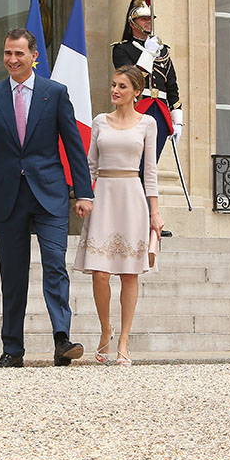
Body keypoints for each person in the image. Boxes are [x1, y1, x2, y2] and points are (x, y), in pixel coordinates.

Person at [0, 28, 93, 368]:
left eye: (18, 53)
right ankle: (12, 350)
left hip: (49, 194)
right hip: (8, 195)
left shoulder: (55, 93)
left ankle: (61, 340)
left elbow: (73, 146)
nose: (11, 60)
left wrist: (83, 191)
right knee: (12, 274)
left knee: (55, 266)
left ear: (33, 55)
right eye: (7, 53)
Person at [73, 65, 163, 366]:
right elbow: (90, 166)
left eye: (122, 86)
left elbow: (150, 172)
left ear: (136, 91)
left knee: (129, 272)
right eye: (113, 84)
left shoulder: (147, 123)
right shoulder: (100, 121)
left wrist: (155, 213)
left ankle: (124, 339)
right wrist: (83, 195)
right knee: (100, 273)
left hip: (132, 197)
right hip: (104, 197)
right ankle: (105, 330)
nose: (115, 90)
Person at [112, 0, 183, 236]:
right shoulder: (122, 49)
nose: (148, 22)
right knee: (136, 166)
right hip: (137, 109)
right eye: (143, 18)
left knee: (150, 166)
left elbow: (172, 85)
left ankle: (148, 218)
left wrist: (178, 118)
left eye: (150, 18)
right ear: (133, 22)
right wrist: (147, 55)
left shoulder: (163, 51)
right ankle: (135, 219)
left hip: (160, 112)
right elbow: (130, 78)